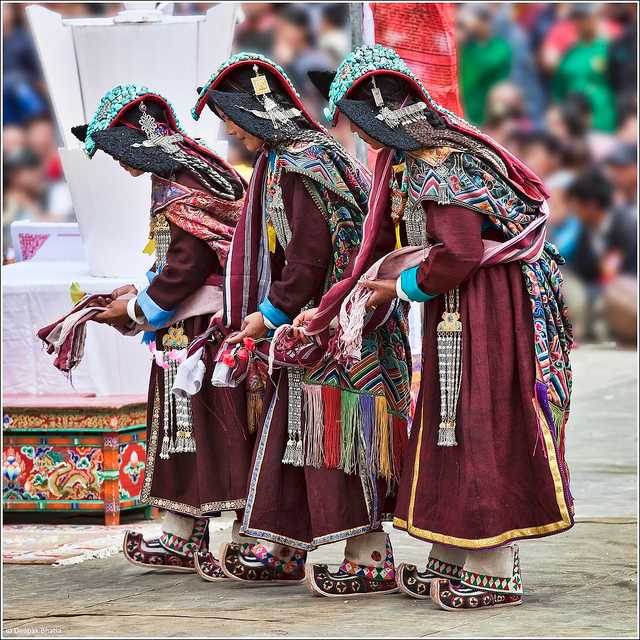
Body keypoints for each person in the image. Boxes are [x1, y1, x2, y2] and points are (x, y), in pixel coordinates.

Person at [306, 44, 574, 610]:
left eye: (361, 124)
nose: (361, 138)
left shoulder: (443, 165)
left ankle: (495, 564)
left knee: (478, 418)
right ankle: (454, 550)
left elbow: (459, 252)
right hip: (463, 304)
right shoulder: (421, 160)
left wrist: (398, 288)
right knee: (449, 417)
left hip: (488, 304)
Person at [192, 52, 412, 594]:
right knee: (297, 438)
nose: (230, 134)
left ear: (255, 116)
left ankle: (371, 556)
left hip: (337, 331)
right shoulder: (292, 159)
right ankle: (285, 545)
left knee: (335, 442)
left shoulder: (300, 165)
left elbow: (309, 258)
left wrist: (267, 317)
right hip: (322, 326)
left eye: (231, 121)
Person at [71, 85, 254, 580]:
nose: (118, 163)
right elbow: (177, 256)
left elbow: (191, 263)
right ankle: (181, 529)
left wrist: (135, 308)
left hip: (202, 327)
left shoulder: (186, 179)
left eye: (116, 150)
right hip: (186, 324)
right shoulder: (182, 172)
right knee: (183, 428)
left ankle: (238, 535)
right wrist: (142, 289)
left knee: (211, 427)